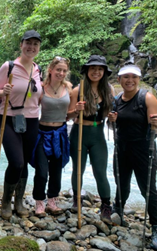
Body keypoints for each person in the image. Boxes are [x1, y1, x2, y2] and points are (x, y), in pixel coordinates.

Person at [108, 65, 157, 251]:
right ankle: (118, 211)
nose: (129, 80)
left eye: (133, 77)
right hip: (122, 148)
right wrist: (111, 121)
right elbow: (112, 126)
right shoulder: (116, 100)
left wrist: (156, 124)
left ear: (138, 79)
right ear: (119, 80)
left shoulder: (147, 98)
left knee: (148, 189)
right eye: (125, 77)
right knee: (121, 183)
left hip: (143, 149)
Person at [0, 30, 43, 219]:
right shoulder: (9, 66)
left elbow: (40, 96)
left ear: (39, 48)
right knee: (16, 161)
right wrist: (1, 92)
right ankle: (5, 202)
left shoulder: (38, 70)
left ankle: (18, 202)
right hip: (9, 117)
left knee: (25, 162)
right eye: (28, 43)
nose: (31, 47)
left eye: (35, 44)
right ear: (21, 45)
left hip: (31, 120)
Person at [68, 55, 114, 223]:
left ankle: (106, 205)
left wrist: (113, 119)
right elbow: (67, 116)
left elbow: (109, 120)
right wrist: (76, 110)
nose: (96, 72)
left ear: (104, 72)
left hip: (98, 134)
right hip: (79, 132)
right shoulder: (77, 90)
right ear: (87, 71)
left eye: (100, 69)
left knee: (100, 171)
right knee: (77, 169)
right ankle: (76, 199)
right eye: (93, 68)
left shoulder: (108, 90)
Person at [32, 56, 72, 217]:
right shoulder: (41, 88)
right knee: (42, 170)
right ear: (51, 70)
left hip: (61, 132)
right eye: (58, 70)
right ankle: (39, 201)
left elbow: (69, 113)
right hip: (42, 132)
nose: (61, 73)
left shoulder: (68, 88)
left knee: (56, 170)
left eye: (64, 70)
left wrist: (78, 111)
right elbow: (32, 107)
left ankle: (52, 201)